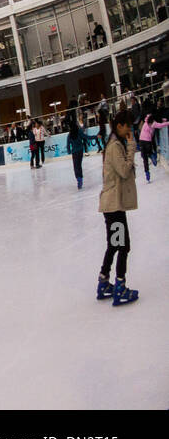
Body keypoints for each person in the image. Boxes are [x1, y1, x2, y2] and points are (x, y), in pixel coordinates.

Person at [97, 112, 140, 305]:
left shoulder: (113, 143)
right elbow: (123, 171)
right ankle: (120, 286)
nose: (129, 130)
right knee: (123, 246)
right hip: (114, 206)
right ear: (120, 126)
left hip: (113, 204)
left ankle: (104, 282)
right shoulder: (115, 146)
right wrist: (131, 147)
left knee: (115, 245)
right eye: (128, 126)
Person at [136, 111, 168, 182]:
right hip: (147, 141)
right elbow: (160, 125)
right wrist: (167, 122)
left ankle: (147, 174)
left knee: (144, 158)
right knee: (149, 152)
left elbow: (150, 116)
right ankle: (151, 156)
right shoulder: (153, 124)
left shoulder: (146, 121)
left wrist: (162, 119)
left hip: (141, 140)